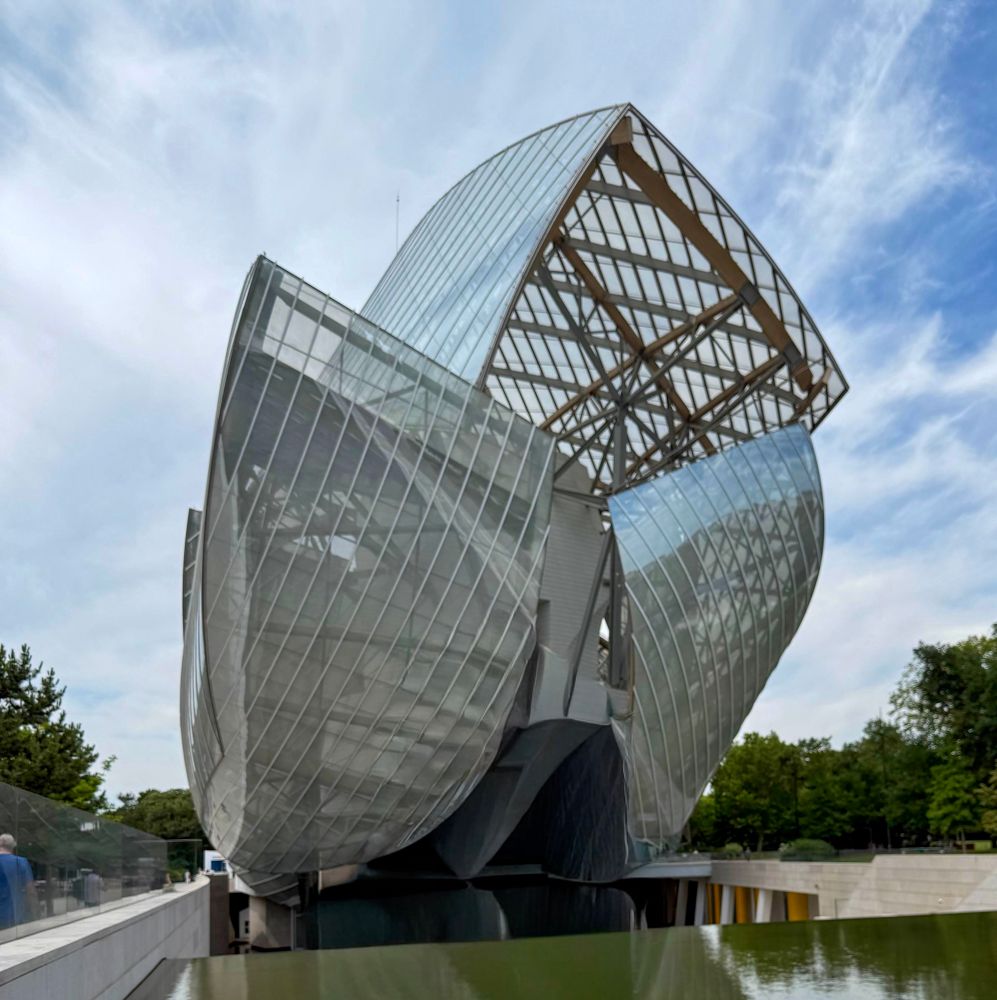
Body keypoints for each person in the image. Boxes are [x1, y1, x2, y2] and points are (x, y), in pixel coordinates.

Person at [0, 834, 36, 930]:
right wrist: (34, 910)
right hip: (15, 912)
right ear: (13, 846)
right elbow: (30, 890)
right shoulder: (21, 862)